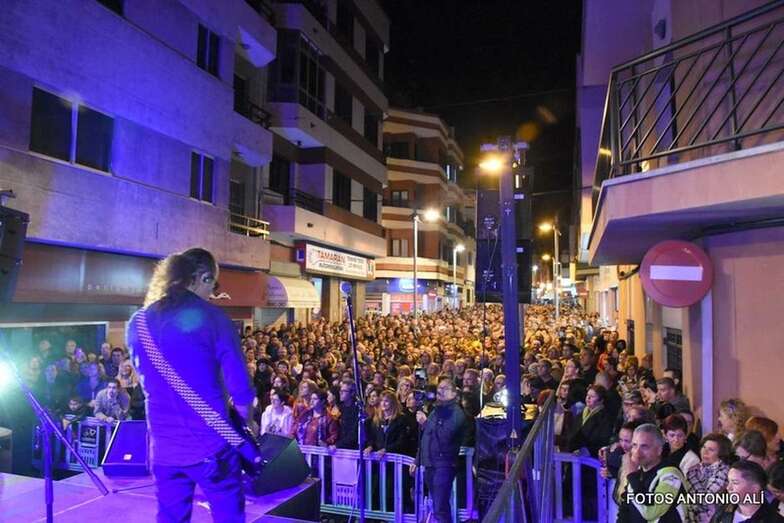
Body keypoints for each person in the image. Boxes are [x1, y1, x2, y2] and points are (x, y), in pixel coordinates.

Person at [127, 248, 255, 523]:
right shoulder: (213, 318)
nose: (214, 293)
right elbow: (241, 390)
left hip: (163, 449)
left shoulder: (137, 323)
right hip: (212, 446)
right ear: (203, 277)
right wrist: (244, 424)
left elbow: (146, 379)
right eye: (215, 284)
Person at [415, 377, 469, 523]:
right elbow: (426, 436)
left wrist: (426, 422)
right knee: (438, 506)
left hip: (444, 464)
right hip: (430, 463)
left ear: (454, 393)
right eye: (439, 388)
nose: (440, 391)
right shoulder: (437, 410)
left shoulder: (457, 413)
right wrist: (418, 459)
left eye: (444, 389)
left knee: (440, 507)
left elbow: (445, 436)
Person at [617, 423, 688, 522]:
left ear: (659, 450)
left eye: (644, 447)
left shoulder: (671, 475)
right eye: (634, 445)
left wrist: (632, 476)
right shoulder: (637, 474)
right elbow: (625, 511)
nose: (637, 452)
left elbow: (650, 512)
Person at [710, 460, 784, 522]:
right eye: (729, 481)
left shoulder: (774, 520)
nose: (729, 488)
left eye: (735, 482)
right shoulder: (721, 513)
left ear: (755, 488)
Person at [687, 433, 732, 523]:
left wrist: (692, 477)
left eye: (711, 450)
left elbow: (705, 500)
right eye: (704, 447)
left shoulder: (724, 470)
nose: (705, 452)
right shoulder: (696, 468)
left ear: (721, 454)